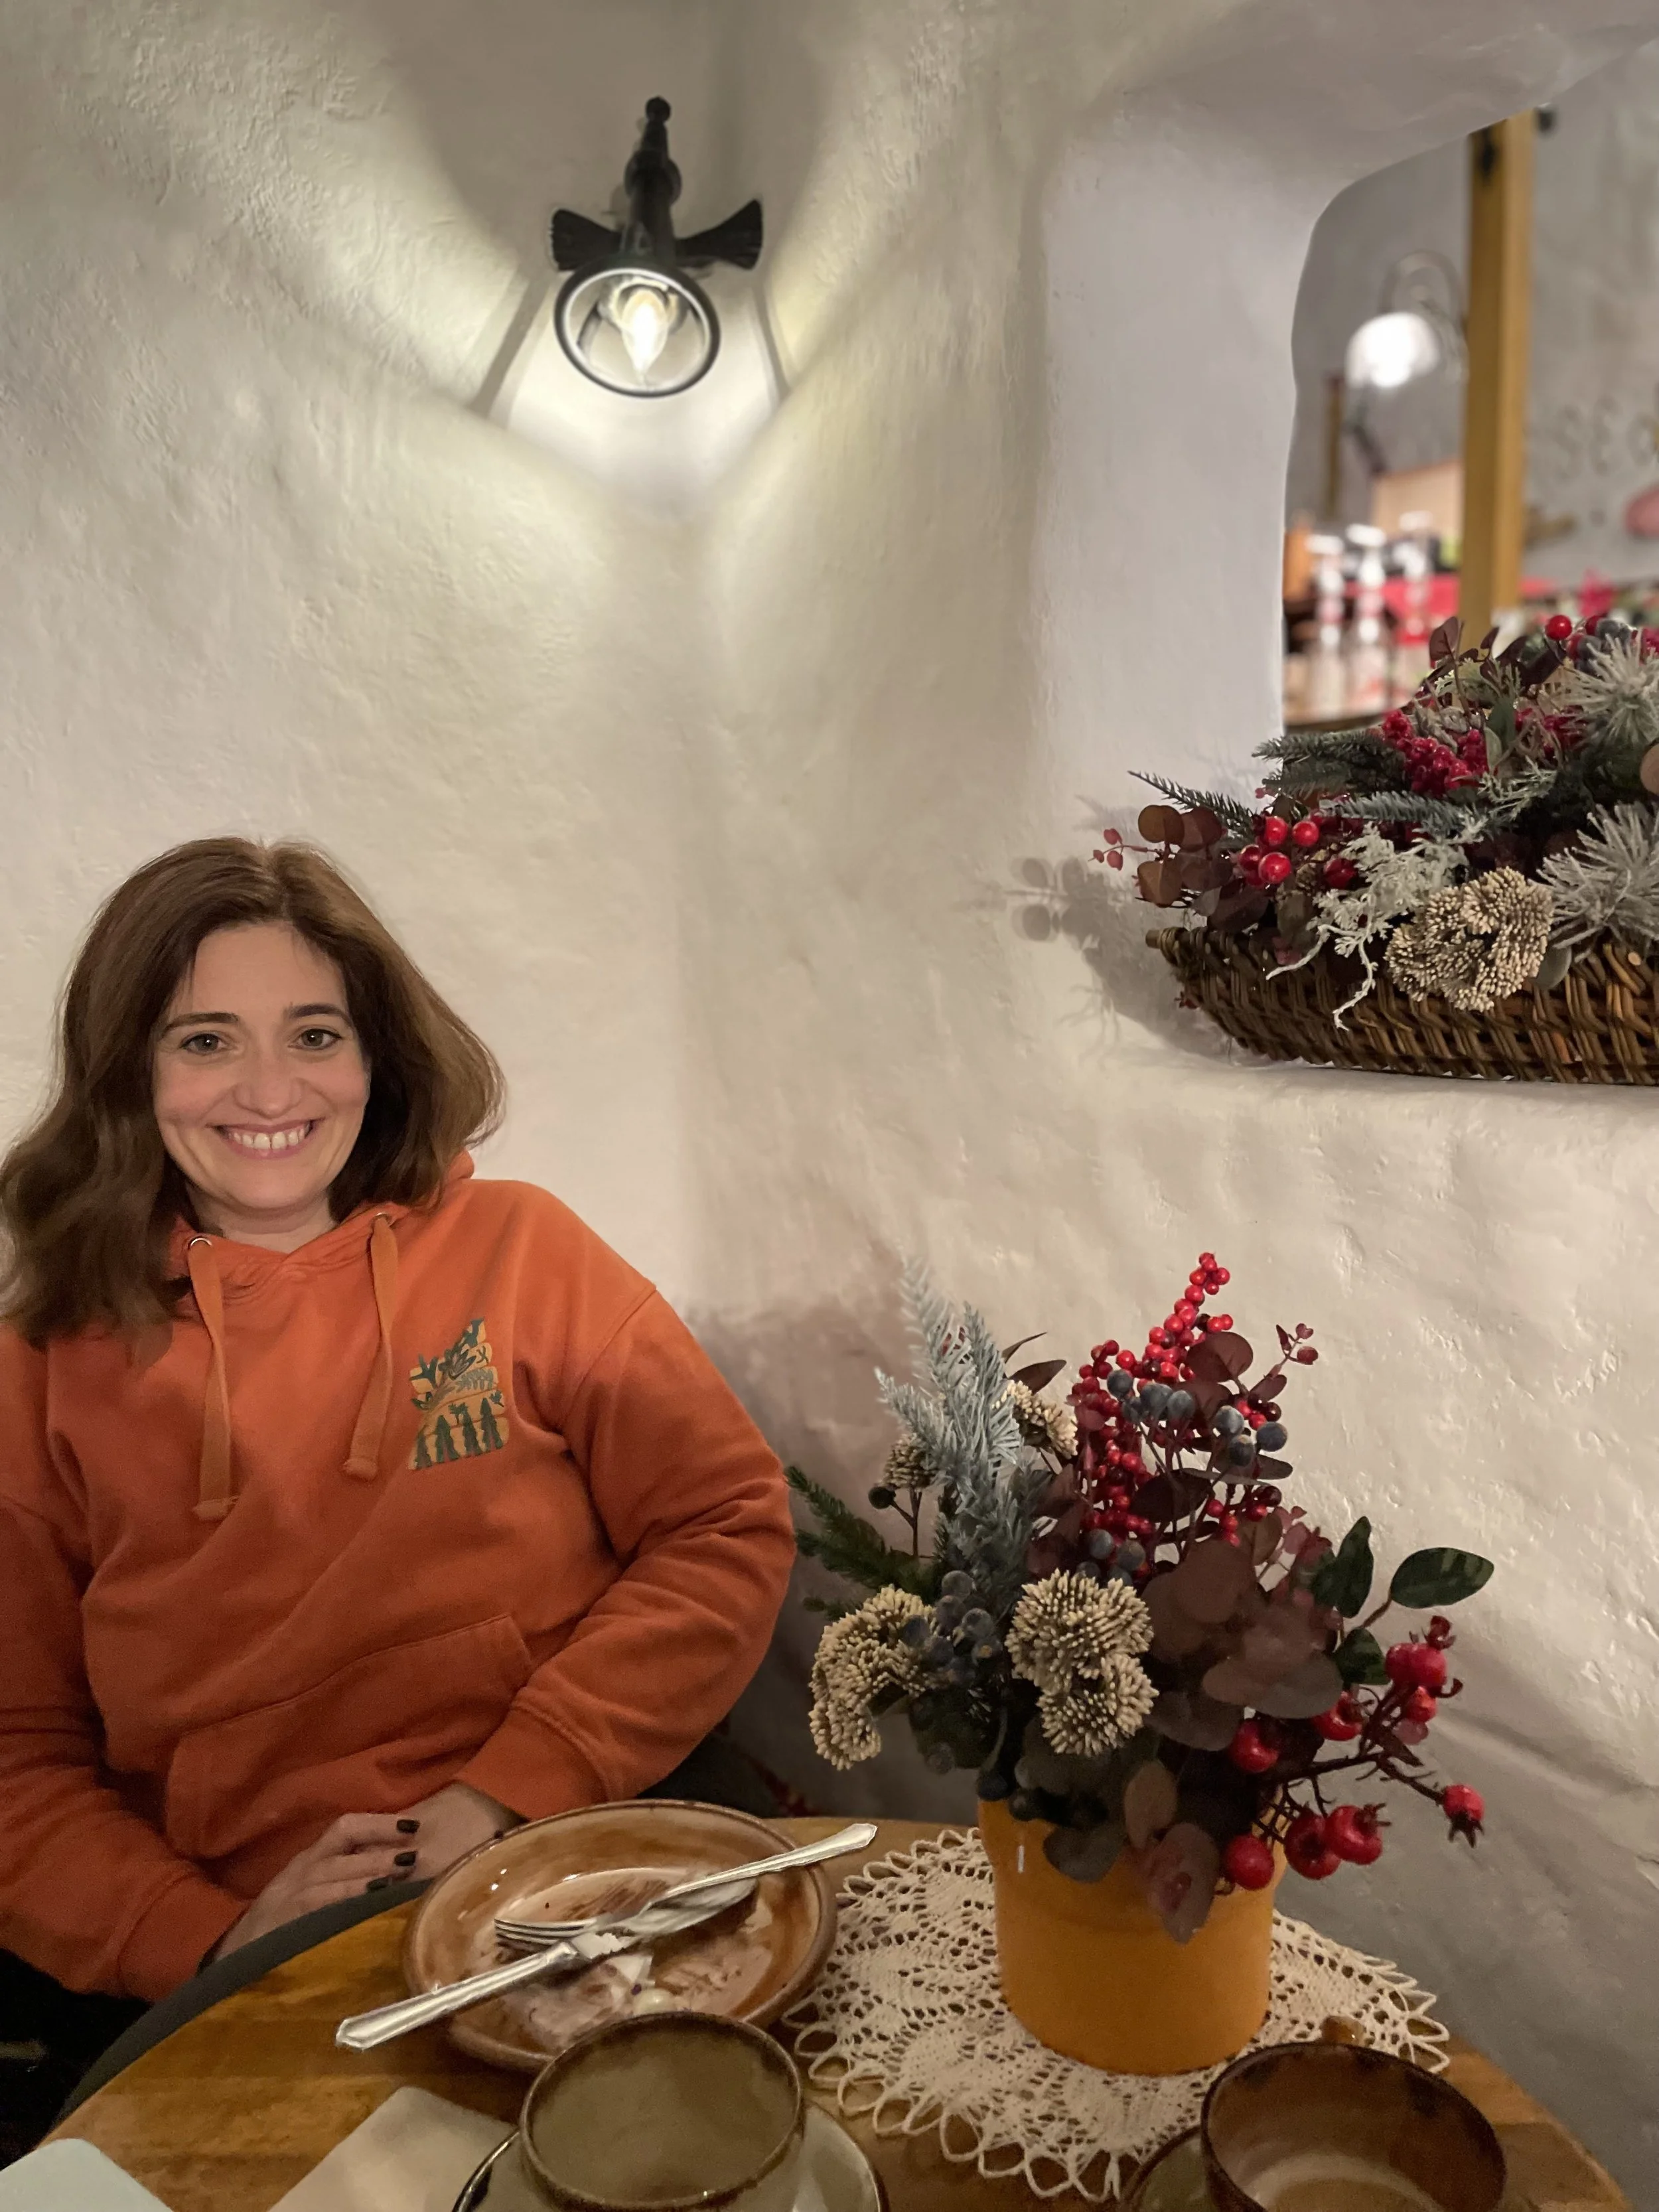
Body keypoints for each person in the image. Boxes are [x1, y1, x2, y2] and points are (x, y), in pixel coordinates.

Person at [0, 838, 794, 2008]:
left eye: (315, 1035)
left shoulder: (523, 1250)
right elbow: (17, 1760)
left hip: (582, 1842)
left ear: (377, 1055)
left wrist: (505, 1794)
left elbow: (723, 1524)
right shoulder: (40, 1364)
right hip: (261, 1942)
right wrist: (214, 1944)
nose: (270, 1092)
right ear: (130, 1071)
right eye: (206, 1041)